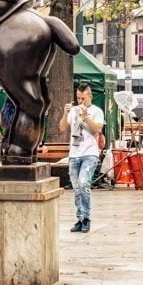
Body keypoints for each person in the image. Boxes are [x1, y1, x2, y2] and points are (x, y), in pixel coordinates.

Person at [59, 83, 104, 233]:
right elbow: (62, 128)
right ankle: (80, 218)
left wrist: (85, 116)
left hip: (89, 153)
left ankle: (86, 218)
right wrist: (65, 113)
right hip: (74, 153)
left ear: (90, 96)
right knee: (77, 188)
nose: (80, 101)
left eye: (83, 98)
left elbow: (97, 129)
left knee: (84, 183)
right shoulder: (73, 111)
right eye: (78, 98)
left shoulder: (96, 111)